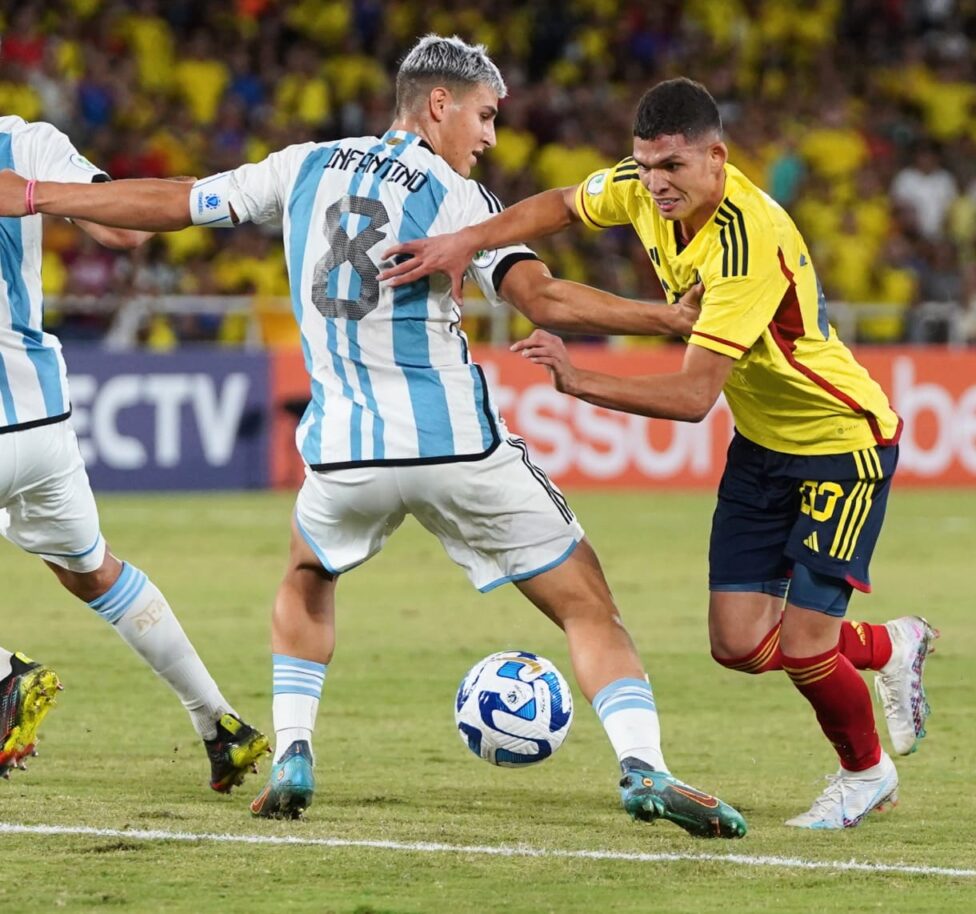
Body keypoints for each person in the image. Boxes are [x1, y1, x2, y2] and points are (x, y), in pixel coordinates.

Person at [0, 37, 748, 838]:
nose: (490, 136)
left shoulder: (301, 165)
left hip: (346, 453)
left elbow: (176, 205)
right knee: (587, 606)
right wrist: (663, 318)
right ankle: (643, 764)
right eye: (485, 116)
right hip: (457, 445)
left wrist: (38, 196)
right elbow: (546, 300)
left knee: (305, 576)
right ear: (438, 104)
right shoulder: (461, 198)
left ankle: (293, 750)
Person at [378, 77, 938, 830]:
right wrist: (467, 240)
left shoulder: (748, 242)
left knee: (807, 647)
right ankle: (888, 645)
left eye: (672, 167)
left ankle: (866, 774)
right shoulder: (643, 189)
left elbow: (693, 396)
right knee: (738, 643)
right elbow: (563, 203)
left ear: (716, 158)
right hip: (762, 444)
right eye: (645, 166)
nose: (655, 183)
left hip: (842, 442)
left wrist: (578, 379)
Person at [0, 113, 269, 789]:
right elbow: (123, 228)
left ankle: (5, 678)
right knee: (92, 572)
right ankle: (218, 723)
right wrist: (167, 195)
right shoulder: (26, 141)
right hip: (42, 419)